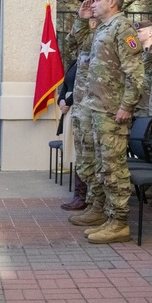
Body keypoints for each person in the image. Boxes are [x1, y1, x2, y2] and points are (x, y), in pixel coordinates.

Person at [68, 0, 143, 245]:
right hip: (96, 106)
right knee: (101, 165)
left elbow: (135, 73)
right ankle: (101, 211)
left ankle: (119, 222)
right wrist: (82, 19)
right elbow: (78, 46)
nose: (93, 3)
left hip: (112, 109)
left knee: (113, 168)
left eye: (97, 0)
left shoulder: (123, 28)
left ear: (112, 3)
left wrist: (126, 106)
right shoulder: (103, 28)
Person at [60, 14, 98, 211]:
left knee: (84, 153)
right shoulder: (79, 58)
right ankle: (80, 195)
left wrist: (69, 100)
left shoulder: (96, 54)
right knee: (79, 153)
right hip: (75, 109)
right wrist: (61, 98)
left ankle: (84, 197)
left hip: (86, 107)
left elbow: (88, 85)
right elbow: (68, 81)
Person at [131, 18, 152, 118]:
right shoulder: (135, 54)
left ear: (150, 33)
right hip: (135, 104)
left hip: (149, 105)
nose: (136, 34)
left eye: (139, 31)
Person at [57, 0, 81, 67]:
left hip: (75, 32)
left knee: (74, 54)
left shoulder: (80, 4)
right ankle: (63, 76)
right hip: (62, 32)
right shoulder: (60, 3)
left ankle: (72, 74)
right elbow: (50, 0)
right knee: (62, 54)